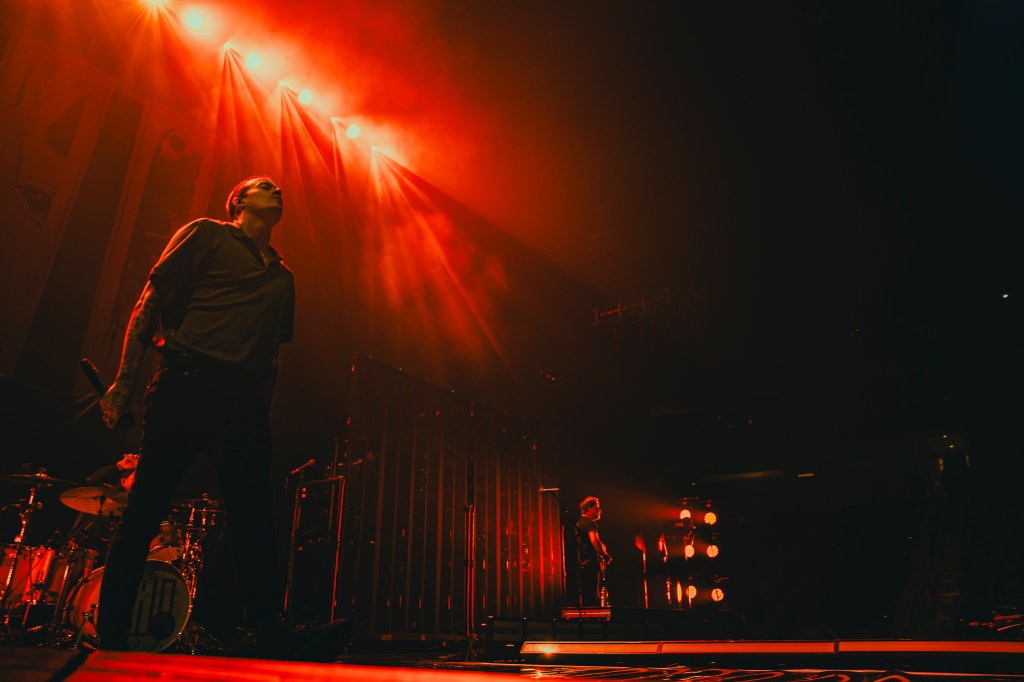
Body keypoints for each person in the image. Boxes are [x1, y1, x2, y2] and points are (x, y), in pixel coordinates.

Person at [98, 176, 294, 653]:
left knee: (255, 515)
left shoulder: (283, 278)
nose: (278, 191)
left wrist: (259, 414)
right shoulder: (206, 233)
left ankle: (268, 633)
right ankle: (112, 635)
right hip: (187, 383)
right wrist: (123, 385)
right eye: (265, 186)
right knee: (145, 507)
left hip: (242, 400)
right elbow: (150, 304)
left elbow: (269, 357)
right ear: (239, 201)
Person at [576, 496, 611, 607]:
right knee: (591, 596)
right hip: (590, 563)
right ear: (590, 508)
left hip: (583, 563)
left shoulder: (581, 523)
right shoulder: (588, 523)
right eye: (597, 508)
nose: (599, 511)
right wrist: (605, 554)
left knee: (588, 594)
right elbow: (594, 541)